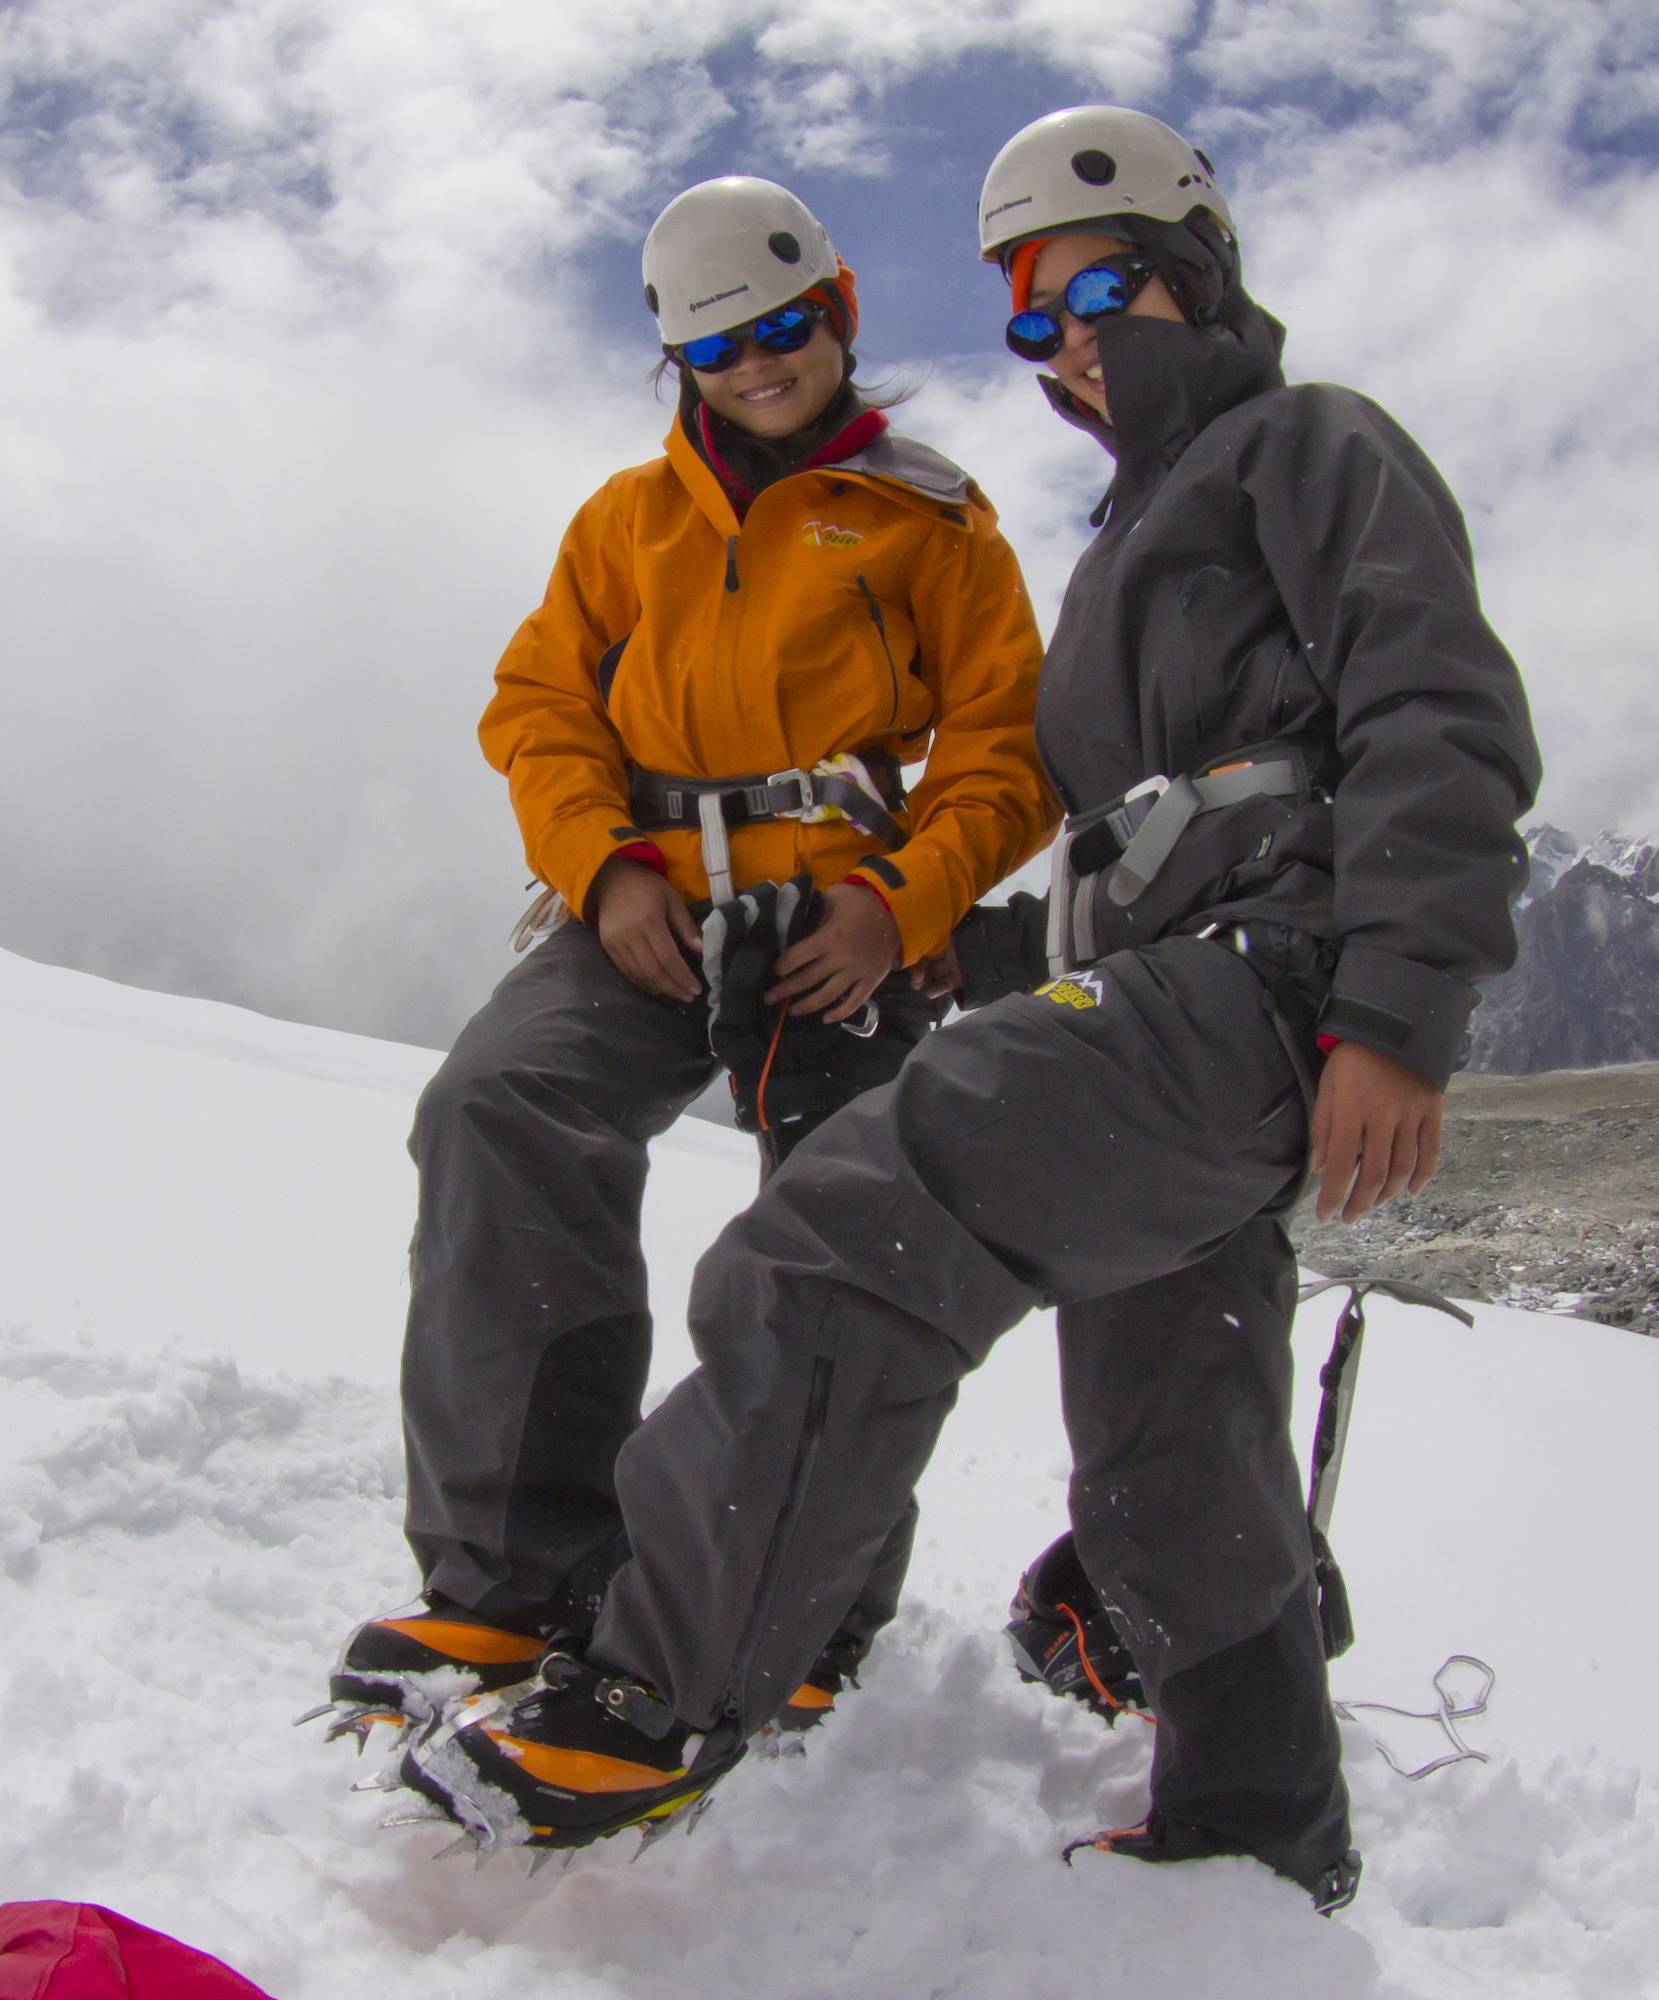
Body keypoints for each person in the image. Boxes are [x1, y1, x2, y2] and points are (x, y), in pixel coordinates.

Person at [406, 108, 1542, 1909]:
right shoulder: (1137, 530)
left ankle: (656, 1690)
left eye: (1101, 288)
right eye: (1035, 317)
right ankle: (1258, 1828)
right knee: (1170, 1424)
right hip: (1183, 982)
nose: (1072, 339)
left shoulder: (1302, 449)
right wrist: (980, 956)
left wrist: (1396, 1016)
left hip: (1259, 990)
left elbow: (1436, 713)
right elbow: (1127, 831)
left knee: (847, 1224)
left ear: (1199, 260)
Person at [320, 179, 1057, 1743]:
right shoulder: (628, 520)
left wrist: (904, 907)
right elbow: (540, 709)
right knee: (499, 1110)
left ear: (840, 310)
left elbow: (1003, 751)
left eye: (785, 327)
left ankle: (800, 1608)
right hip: (646, 901)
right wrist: (594, 869)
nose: (759, 364)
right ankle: (514, 1577)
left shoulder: (934, 516)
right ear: (679, 361)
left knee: (843, 1235)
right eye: (719, 345)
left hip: (837, 922)